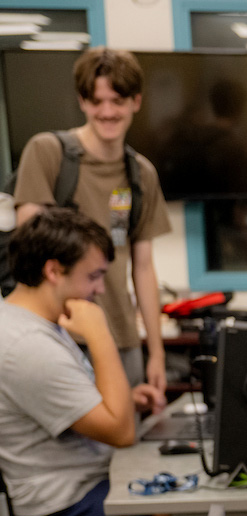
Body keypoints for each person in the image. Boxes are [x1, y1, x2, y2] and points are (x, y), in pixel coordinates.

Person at [0, 208, 244, 516]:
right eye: (93, 276)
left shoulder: (30, 324)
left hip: (84, 482)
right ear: (53, 270)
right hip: (63, 506)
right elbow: (120, 432)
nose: (98, 290)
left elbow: (79, 408)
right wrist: (100, 334)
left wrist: (124, 398)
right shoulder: (27, 345)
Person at [13, 47, 171, 393]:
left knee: (124, 424)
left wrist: (157, 352)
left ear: (136, 101)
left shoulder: (141, 174)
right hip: (58, 336)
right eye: (97, 101)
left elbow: (144, 267)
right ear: (82, 102)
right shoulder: (49, 153)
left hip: (121, 337)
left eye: (117, 101)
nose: (107, 112)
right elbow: (30, 254)